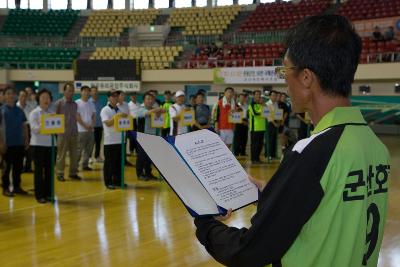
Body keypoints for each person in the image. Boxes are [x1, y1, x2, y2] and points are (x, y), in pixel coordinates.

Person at [194, 15, 390, 267]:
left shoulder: (312, 153)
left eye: (285, 70)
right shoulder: (375, 146)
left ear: (306, 78)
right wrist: (270, 191)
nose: (284, 80)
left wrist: (204, 224)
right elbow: (325, 204)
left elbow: (249, 251)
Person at [1, 87, 29, 197]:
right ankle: (6, 188)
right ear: (4, 96)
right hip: (6, 144)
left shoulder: (19, 110)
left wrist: (26, 139)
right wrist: (1, 143)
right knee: (6, 168)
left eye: (12, 93)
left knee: (18, 167)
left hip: (19, 143)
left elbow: (24, 125)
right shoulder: (1, 110)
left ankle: (17, 187)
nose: (10, 95)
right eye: (8, 94)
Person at [29, 89, 53, 203]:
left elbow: (56, 130)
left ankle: (48, 193)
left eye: (48, 97)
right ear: (38, 99)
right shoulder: (34, 113)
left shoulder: (52, 113)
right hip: (37, 146)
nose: (46, 100)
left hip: (50, 145)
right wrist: (45, 122)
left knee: (49, 170)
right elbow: (34, 129)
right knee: (38, 171)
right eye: (43, 97)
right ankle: (39, 195)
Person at [135, 92, 165, 181]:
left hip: (153, 137)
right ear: (144, 100)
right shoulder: (140, 109)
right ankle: (140, 174)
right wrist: (158, 110)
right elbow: (147, 113)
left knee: (149, 157)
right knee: (141, 156)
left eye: (152, 99)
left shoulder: (154, 109)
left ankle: (148, 173)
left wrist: (161, 110)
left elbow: (163, 112)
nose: (150, 101)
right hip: (142, 137)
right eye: (148, 99)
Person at [55, 82, 81, 182]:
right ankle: (60, 173)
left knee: (74, 154)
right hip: (63, 134)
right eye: (69, 90)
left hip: (74, 132)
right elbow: (54, 117)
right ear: (64, 91)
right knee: (61, 154)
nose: (71, 92)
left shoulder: (75, 104)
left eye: (72, 91)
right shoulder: (59, 103)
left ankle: (73, 173)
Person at [100, 90, 125, 189]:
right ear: (108, 98)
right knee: (109, 163)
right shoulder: (105, 110)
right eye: (113, 96)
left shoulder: (119, 110)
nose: (115, 98)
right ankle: (108, 182)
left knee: (118, 163)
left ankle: (118, 181)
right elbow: (108, 123)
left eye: (117, 96)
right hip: (110, 141)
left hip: (120, 140)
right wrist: (117, 117)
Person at [76, 86, 96, 171]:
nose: (87, 93)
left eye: (88, 91)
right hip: (81, 130)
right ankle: (75, 166)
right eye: (85, 91)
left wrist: (92, 125)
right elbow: (77, 116)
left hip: (90, 130)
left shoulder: (91, 103)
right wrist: (85, 125)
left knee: (89, 149)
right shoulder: (77, 103)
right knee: (79, 149)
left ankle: (85, 165)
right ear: (81, 92)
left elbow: (94, 115)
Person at [17, 90, 34, 172]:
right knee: (19, 150)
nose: (23, 98)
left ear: (27, 97)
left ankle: (28, 167)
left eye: (24, 96)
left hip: (28, 129)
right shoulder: (15, 106)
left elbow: (31, 120)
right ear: (18, 97)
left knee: (29, 150)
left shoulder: (29, 107)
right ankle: (19, 167)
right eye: (21, 96)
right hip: (17, 130)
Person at [248, 90, 266, 163]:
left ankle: (257, 158)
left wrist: (263, 105)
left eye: (259, 94)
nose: (258, 96)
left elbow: (267, 112)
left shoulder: (261, 104)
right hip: (255, 128)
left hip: (262, 128)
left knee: (260, 145)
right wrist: (263, 111)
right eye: (257, 94)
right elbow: (256, 113)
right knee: (255, 145)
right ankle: (253, 159)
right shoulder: (251, 105)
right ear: (254, 96)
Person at [116, 90, 133, 166]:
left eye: (124, 95)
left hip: (125, 127)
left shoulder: (126, 104)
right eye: (122, 95)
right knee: (117, 145)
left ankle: (124, 160)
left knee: (124, 144)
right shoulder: (114, 105)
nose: (124, 97)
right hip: (116, 129)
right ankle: (118, 161)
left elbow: (129, 115)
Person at [90, 86, 104, 163]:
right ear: (90, 92)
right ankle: (89, 157)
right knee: (91, 143)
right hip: (91, 127)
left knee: (98, 142)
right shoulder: (88, 102)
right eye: (93, 91)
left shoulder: (101, 101)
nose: (94, 92)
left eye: (96, 91)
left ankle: (97, 156)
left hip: (99, 126)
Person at [266, 90, 279, 160]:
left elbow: (278, 114)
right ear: (270, 96)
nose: (274, 97)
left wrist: (278, 122)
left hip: (276, 123)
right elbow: (268, 116)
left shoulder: (276, 104)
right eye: (273, 95)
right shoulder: (267, 104)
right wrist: (274, 123)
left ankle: (274, 155)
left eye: (275, 95)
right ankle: (269, 155)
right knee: (270, 139)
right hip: (270, 123)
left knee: (274, 139)